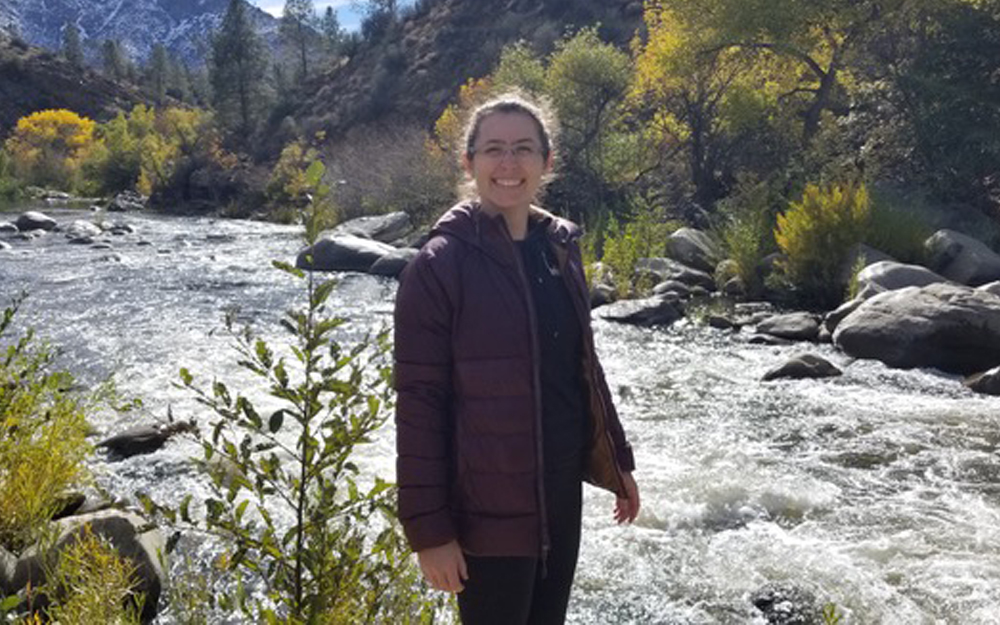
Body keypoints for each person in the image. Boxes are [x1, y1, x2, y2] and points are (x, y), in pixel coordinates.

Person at [393, 93, 640, 625]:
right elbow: (419, 405)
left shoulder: (559, 249)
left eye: (524, 149)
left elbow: (582, 370)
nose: (509, 165)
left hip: (558, 496)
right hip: (486, 510)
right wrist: (429, 532)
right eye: (494, 150)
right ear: (469, 162)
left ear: (547, 162)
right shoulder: (440, 266)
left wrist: (617, 462)